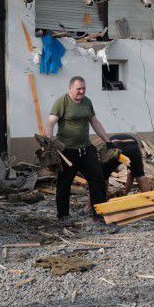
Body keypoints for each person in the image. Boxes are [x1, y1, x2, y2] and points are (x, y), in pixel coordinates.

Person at [46, 76, 114, 226]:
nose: (82, 91)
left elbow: (95, 122)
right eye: (79, 89)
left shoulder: (87, 102)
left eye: (83, 88)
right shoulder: (62, 102)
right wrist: (49, 141)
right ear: (70, 88)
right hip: (67, 150)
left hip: (86, 148)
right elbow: (51, 122)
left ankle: (98, 214)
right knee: (65, 182)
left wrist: (108, 141)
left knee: (97, 177)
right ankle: (63, 215)